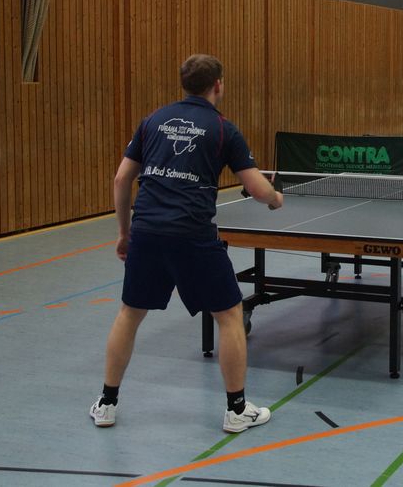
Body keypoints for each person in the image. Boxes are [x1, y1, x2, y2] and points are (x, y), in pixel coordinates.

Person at [90, 54, 283, 433]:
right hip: (193, 235)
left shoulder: (153, 120)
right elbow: (258, 189)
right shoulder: (223, 129)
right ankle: (237, 410)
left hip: (147, 232)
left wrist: (125, 233)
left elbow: (121, 180)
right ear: (218, 85)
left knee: (130, 314)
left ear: (184, 83)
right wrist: (276, 198)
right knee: (229, 315)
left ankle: (107, 404)